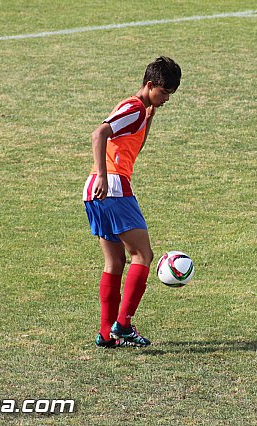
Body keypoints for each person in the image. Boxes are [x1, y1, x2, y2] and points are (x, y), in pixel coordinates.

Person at [83, 56, 182, 348]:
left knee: (115, 261)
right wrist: (103, 174)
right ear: (149, 85)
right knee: (143, 256)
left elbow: (129, 145)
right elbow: (99, 133)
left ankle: (106, 333)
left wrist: (148, 122)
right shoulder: (134, 106)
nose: (165, 99)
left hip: (95, 190)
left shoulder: (139, 111)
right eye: (163, 92)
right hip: (111, 185)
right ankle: (123, 325)